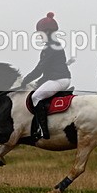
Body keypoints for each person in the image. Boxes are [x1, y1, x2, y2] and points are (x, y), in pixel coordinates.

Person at [21, 12, 71, 140]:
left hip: (59, 79)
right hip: (56, 78)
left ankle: (43, 132)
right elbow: (46, 71)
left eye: (40, 33)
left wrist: (25, 80)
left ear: (47, 32)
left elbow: (40, 69)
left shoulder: (51, 47)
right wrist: (38, 82)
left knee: (36, 97)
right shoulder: (52, 45)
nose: (39, 36)